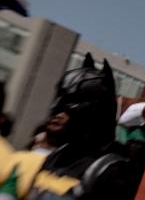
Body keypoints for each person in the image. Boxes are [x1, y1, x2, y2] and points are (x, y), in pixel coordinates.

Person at [20, 53, 134, 200]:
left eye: (70, 102)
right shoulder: (57, 156)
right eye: (59, 99)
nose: (56, 110)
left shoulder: (112, 171)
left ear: (92, 112)